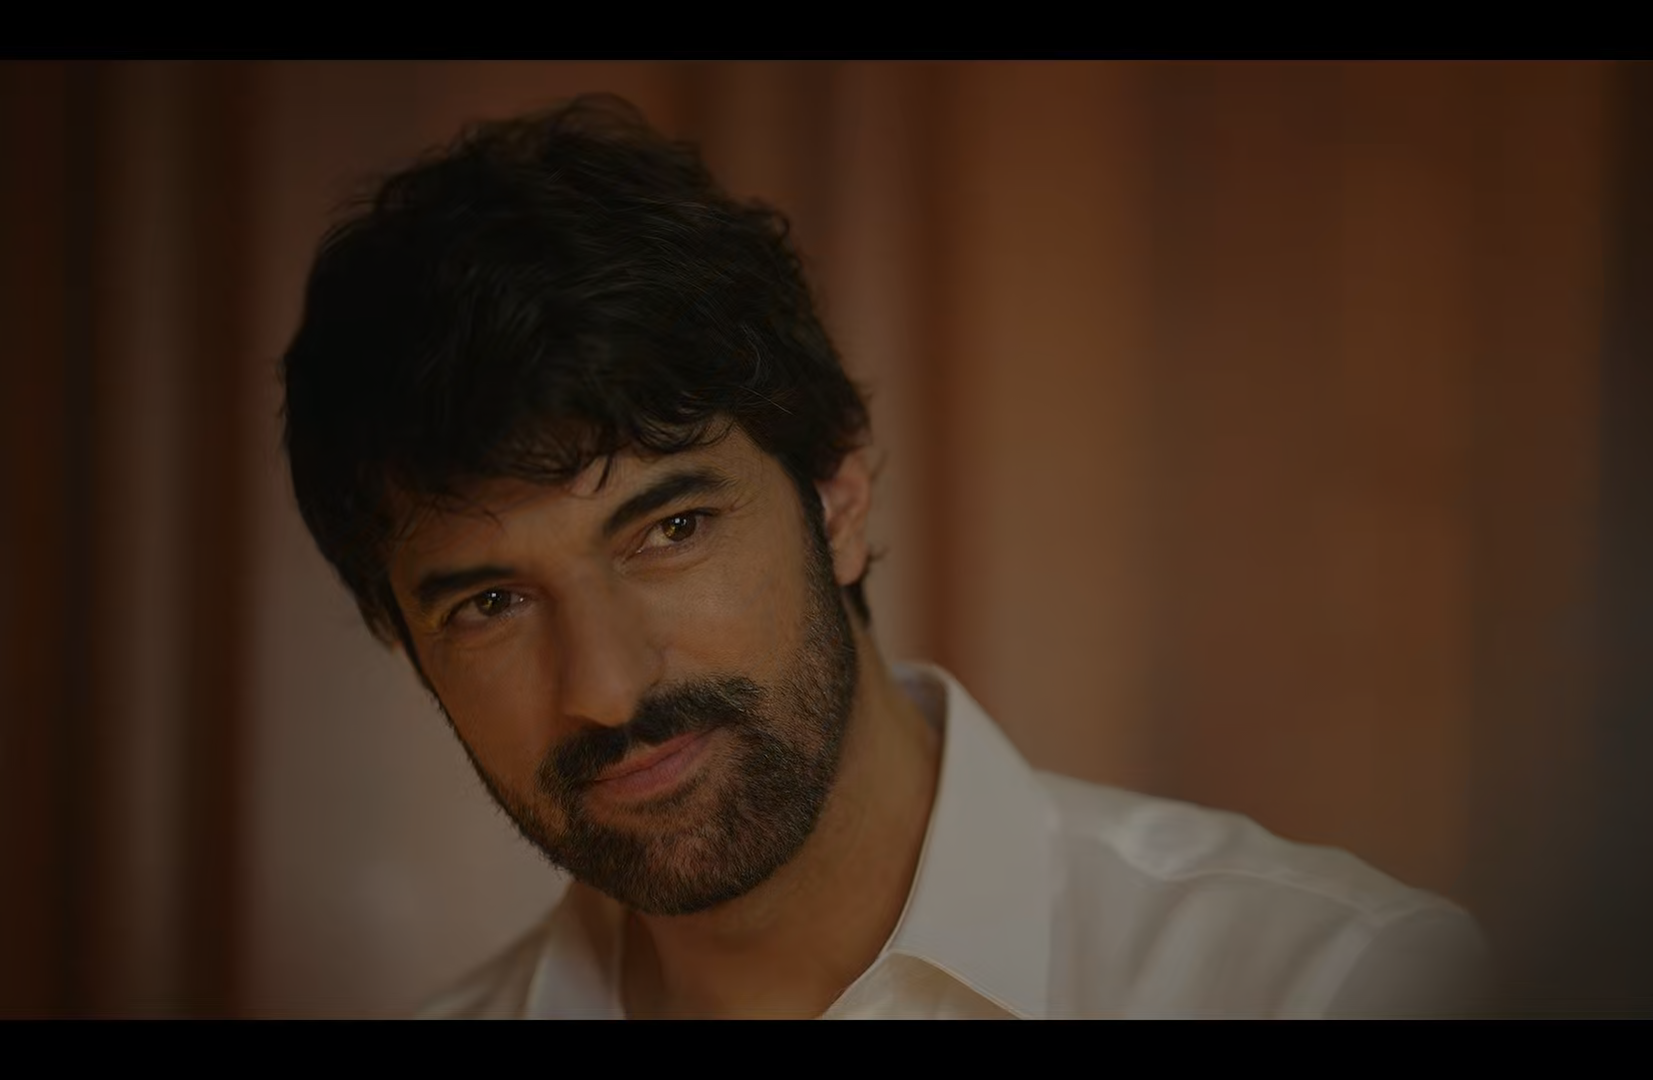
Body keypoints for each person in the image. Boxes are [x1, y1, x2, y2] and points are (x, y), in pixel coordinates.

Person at [278, 93, 1489, 1020]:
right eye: (491, 602)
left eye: (670, 529)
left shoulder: (1326, 988)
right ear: (404, 641)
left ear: (837, 495)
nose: (604, 686)